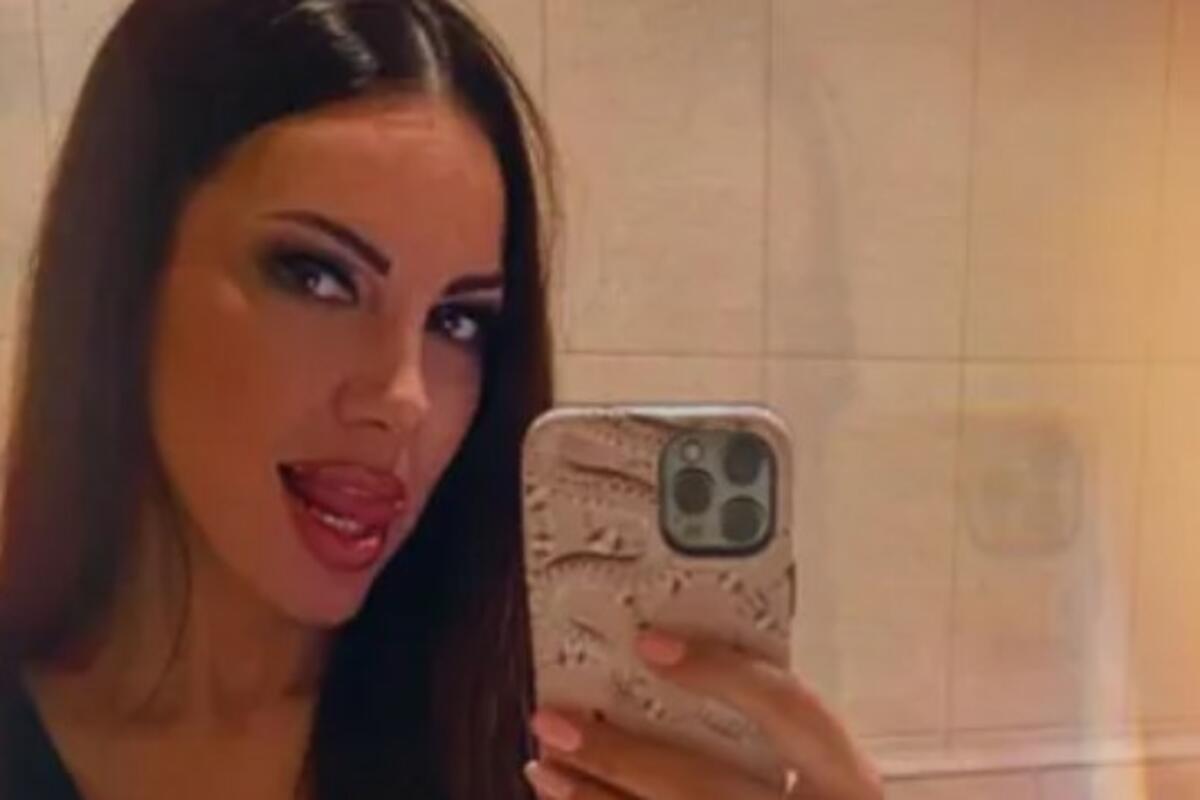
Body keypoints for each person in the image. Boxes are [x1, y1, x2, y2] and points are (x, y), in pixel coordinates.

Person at [0, 1, 882, 798]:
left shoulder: (551, 750)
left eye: (458, 322)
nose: (406, 399)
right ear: (122, 274)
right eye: (317, 277)